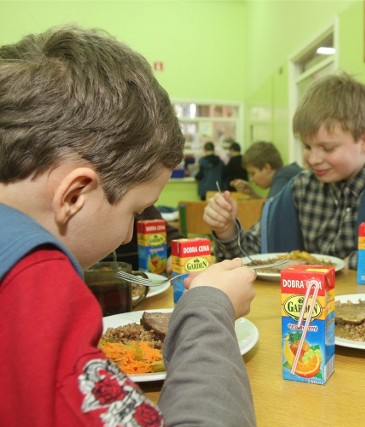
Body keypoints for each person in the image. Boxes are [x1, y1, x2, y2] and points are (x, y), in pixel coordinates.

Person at [0, 26, 257, 426]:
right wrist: (209, 308)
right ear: (73, 195)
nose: (128, 234)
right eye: (137, 211)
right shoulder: (34, 290)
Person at [204, 73, 365, 268]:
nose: (313, 159)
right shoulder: (301, 188)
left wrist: (347, 264)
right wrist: (226, 230)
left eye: (327, 147)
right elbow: (253, 256)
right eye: (307, 146)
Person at [231, 141, 303, 199]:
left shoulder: (282, 179)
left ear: (267, 167)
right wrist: (253, 194)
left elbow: (272, 213)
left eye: (253, 173)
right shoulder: (287, 174)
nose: (252, 179)